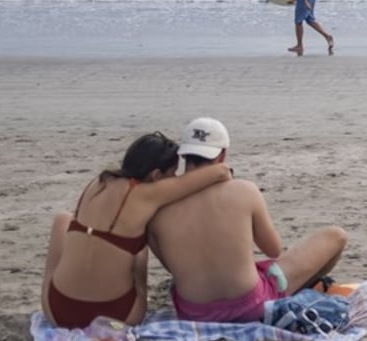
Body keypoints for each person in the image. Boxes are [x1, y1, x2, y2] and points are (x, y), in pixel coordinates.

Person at [148, 118, 348, 323]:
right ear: (223, 154)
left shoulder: (159, 207)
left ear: (183, 156)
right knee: (336, 236)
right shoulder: (244, 190)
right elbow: (273, 249)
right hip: (252, 306)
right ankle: (301, 290)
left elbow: (173, 267)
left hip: (194, 313)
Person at [40, 133, 231, 328]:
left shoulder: (99, 182)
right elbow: (221, 172)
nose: (174, 178)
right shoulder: (147, 194)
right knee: (140, 242)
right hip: (119, 316)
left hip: (57, 311)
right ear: (156, 175)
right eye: (172, 173)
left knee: (63, 220)